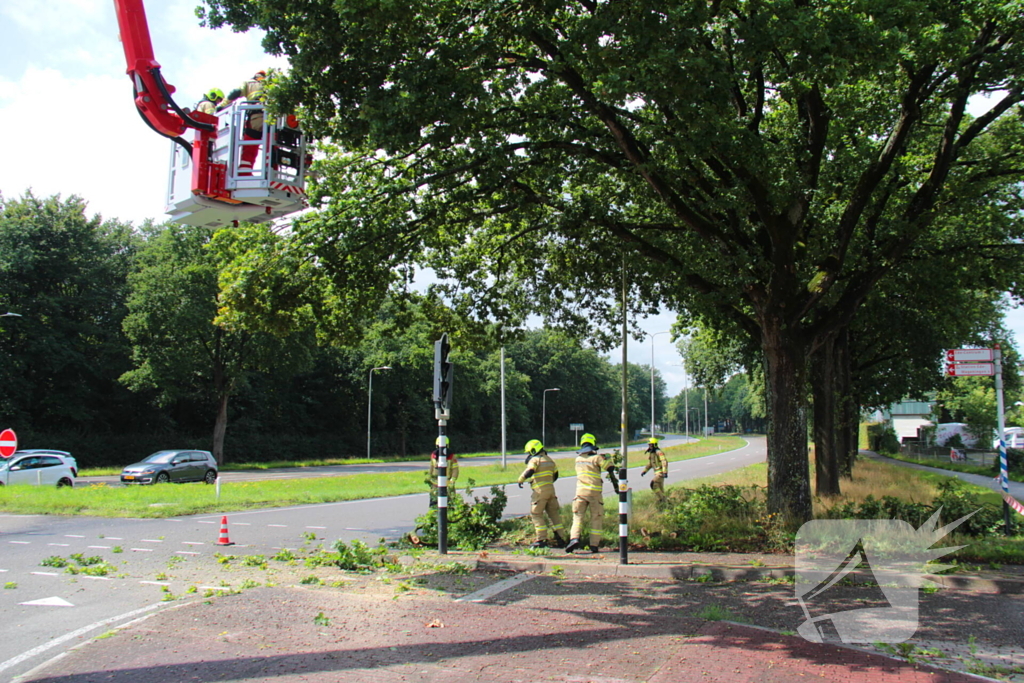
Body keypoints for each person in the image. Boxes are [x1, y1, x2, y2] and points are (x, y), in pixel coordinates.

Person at [565, 433, 617, 554]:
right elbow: (609, 468)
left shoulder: (578, 459)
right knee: (596, 518)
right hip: (594, 493)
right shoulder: (597, 458)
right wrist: (607, 459)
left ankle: (574, 539)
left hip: (580, 493)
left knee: (577, 517)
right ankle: (594, 545)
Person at [518, 440, 566, 548]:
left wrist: (521, 479)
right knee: (554, 515)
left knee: (536, 514)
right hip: (551, 491)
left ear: (534, 450)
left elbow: (530, 471)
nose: (529, 455)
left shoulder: (535, 460)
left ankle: (541, 539)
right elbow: (556, 475)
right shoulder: (550, 460)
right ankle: (561, 538)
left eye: (529, 452)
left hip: (540, 492)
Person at [223, 70, 268, 175]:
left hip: (255, 118)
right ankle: (271, 170)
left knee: (250, 143)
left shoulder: (249, 83)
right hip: (273, 120)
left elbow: (235, 93)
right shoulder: (273, 85)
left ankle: (245, 170)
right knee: (272, 145)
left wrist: (222, 106)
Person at [426, 437, 458, 509]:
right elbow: (431, 467)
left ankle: (450, 516)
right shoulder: (433, 456)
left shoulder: (451, 456)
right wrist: (429, 477)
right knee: (433, 501)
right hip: (435, 483)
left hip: (448, 482)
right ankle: (433, 514)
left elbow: (455, 469)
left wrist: (452, 480)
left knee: (450, 502)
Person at [641, 437, 669, 504]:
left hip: (660, 473)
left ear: (655, 444)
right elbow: (651, 464)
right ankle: (665, 503)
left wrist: (665, 472)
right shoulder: (652, 453)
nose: (650, 446)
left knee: (653, 484)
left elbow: (664, 461)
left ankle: (661, 499)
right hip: (657, 473)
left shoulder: (659, 452)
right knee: (661, 489)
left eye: (651, 445)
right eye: (649, 445)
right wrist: (644, 471)